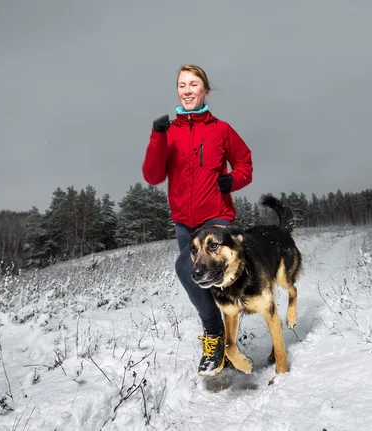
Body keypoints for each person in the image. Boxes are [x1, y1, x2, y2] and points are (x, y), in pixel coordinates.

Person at [142, 64, 253, 377]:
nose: (187, 90)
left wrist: (233, 181)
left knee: (187, 267)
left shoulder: (221, 130)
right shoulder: (169, 133)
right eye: (181, 85)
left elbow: (245, 161)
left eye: (193, 84)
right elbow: (152, 176)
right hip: (184, 222)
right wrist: (156, 137)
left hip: (216, 214)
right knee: (199, 276)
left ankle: (218, 333)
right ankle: (219, 338)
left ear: (205, 90)